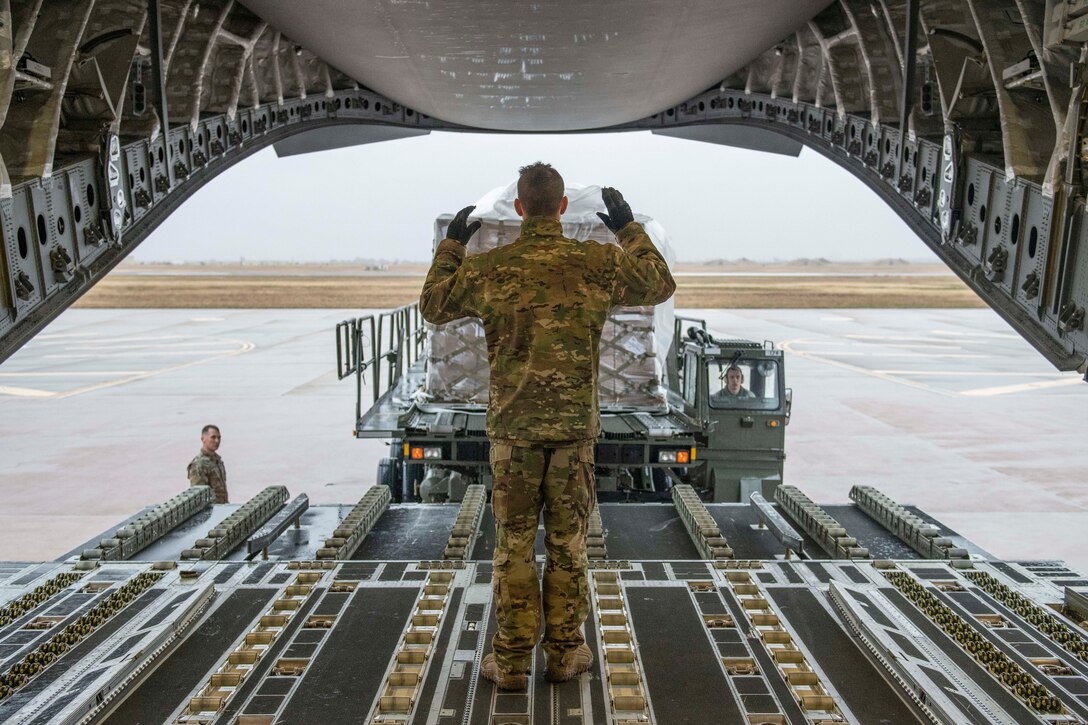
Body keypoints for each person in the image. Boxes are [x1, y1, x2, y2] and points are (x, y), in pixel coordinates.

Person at [420, 163, 675, 690]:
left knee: (513, 545)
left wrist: (451, 247)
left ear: (519, 208)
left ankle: (510, 663)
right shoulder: (596, 261)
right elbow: (659, 283)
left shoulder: (493, 267)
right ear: (562, 208)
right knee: (568, 544)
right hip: (572, 435)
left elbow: (433, 305)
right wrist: (627, 228)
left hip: (513, 436)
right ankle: (564, 655)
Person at [187, 424, 228, 503]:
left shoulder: (217, 461)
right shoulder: (198, 464)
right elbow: (198, 496)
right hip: (211, 512)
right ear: (203, 439)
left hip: (222, 508)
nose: (217, 441)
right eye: (213, 437)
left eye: (219, 438)